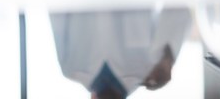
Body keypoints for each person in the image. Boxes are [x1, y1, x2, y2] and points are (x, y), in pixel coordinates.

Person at [50, 8, 192, 99]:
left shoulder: (71, 68)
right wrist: (167, 60)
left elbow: (56, 10)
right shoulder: (151, 68)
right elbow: (179, 9)